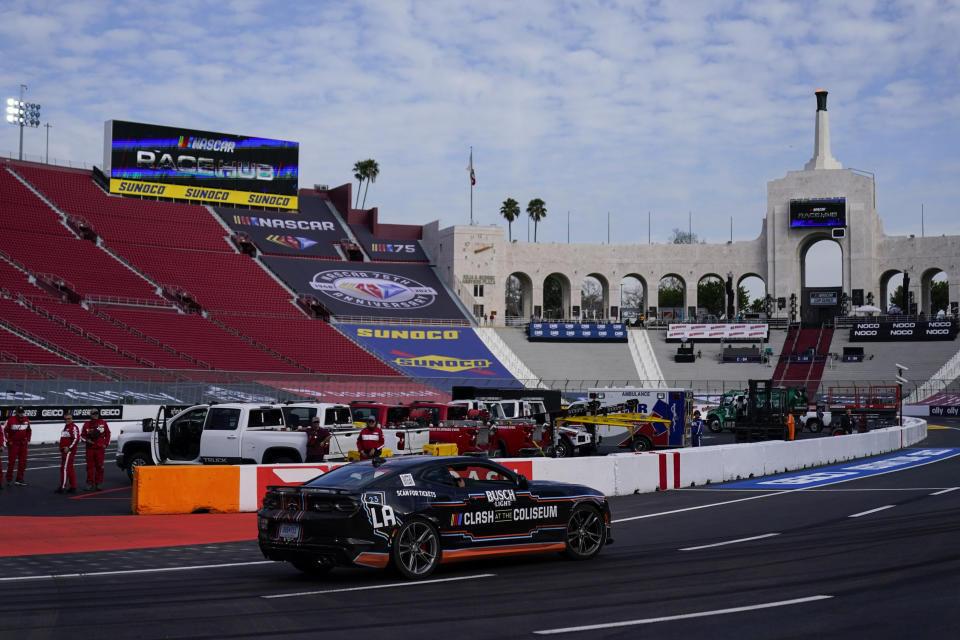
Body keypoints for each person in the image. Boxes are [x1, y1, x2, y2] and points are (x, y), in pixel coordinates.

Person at [81, 409, 111, 491]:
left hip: (100, 449)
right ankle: (90, 483)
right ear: (90, 415)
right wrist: (87, 440)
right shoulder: (86, 424)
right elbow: (82, 436)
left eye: (96, 413)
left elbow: (108, 434)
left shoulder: (103, 423)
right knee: (90, 467)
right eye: (93, 414)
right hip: (90, 449)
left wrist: (106, 444)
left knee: (100, 466)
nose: (95, 415)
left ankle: (99, 483)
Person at [4, 406, 31, 487]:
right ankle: (9, 479)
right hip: (14, 444)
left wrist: (28, 439)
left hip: (23, 444)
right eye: (19, 412)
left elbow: (29, 430)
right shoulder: (10, 420)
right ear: (16, 412)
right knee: (11, 462)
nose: (21, 414)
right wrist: (8, 441)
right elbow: (4, 431)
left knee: (23, 462)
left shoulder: (26, 420)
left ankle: (19, 479)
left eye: (22, 412)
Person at [57, 412, 81, 494]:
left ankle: (62, 487)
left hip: (69, 452)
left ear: (72, 419)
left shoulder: (73, 427)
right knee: (70, 469)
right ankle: (73, 487)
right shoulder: (66, 427)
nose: (67, 420)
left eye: (69, 419)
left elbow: (76, 439)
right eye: (66, 419)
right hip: (64, 451)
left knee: (64, 468)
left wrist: (69, 448)